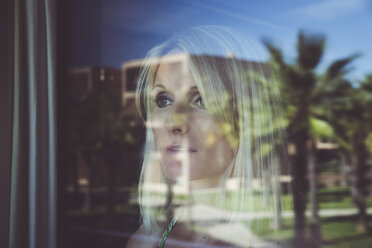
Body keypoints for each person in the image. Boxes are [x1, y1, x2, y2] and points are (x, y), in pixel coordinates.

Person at [126, 26, 287, 248]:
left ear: (245, 117)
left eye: (200, 99)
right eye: (164, 100)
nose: (175, 121)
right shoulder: (145, 240)